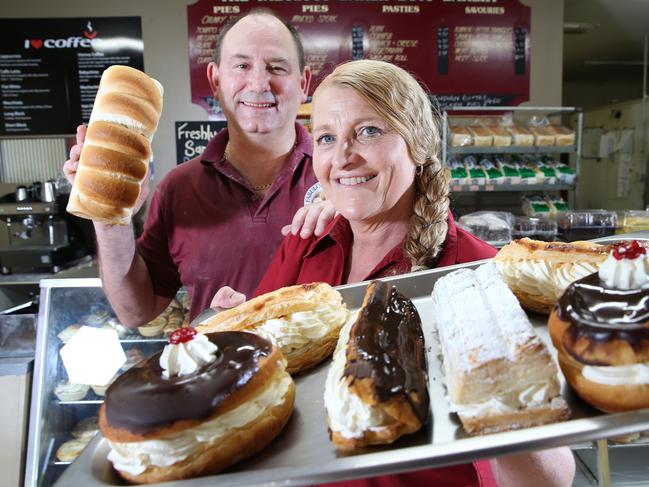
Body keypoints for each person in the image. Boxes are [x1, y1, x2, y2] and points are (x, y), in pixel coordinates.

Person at [215, 60, 576, 487]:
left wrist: (513, 408)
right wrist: (236, 337)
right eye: (328, 138)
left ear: (418, 145)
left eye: (369, 131)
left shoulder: (476, 271)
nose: (344, 157)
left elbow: (551, 480)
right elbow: (264, 379)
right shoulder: (304, 244)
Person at [63, 10, 334, 326]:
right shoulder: (178, 189)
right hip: (218, 372)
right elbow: (135, 311)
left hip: (325, 372)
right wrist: (111, 219)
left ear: (303, 83)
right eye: (242, 66)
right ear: (215, 81)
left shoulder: (343, 176)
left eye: (277, 67)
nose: (260, 83)